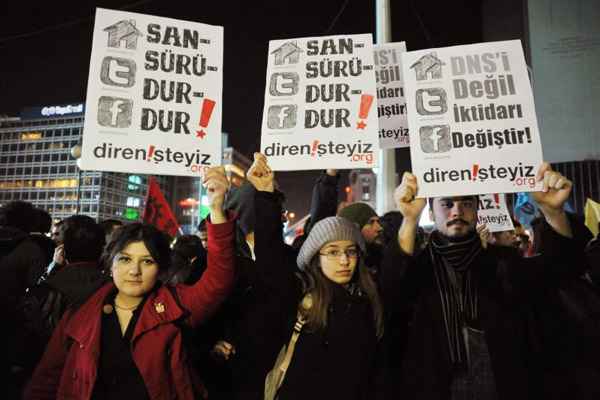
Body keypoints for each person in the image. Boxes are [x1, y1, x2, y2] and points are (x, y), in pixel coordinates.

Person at [380, 163, 591, 400]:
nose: (457, 212)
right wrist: (409, 220)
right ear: (430, 211)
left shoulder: (504, 263)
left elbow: (563, 272)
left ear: (478, 209)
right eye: (447, 204)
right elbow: (390, 290)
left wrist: (553, 212)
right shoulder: (417, 269)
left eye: (466, 203)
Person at [25, 166, 236, 400]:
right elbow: (46, 380)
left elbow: (219, 279)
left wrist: (216, 209)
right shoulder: (80, 311)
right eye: (125, 259)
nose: (134, 271)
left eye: (146, 261)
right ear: (110, 263)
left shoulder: (176, 306)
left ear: (161, 268)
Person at [250, 153, 384, 400]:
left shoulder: (369, 298)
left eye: (350, 251)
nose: (344, 260)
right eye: (332, 252)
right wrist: (266, 194)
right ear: (316, 258)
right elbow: (270, 255)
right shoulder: (300, 295)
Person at [18, 215, 107, 374]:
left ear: (62, 250)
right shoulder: (111, 286)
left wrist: (53, 268)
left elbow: (33, 323)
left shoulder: (52, 285)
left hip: (50, 366)